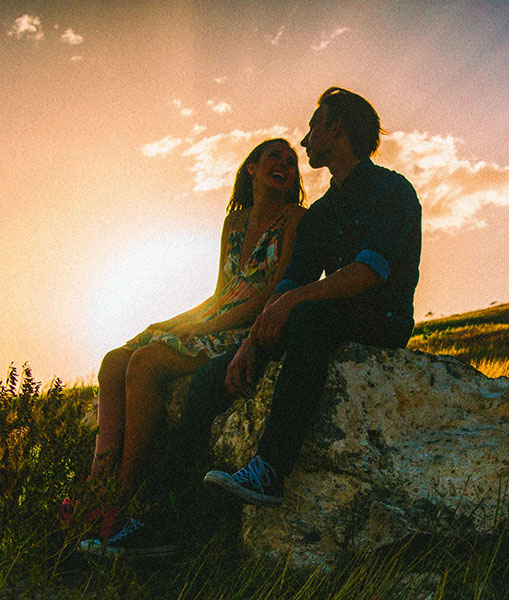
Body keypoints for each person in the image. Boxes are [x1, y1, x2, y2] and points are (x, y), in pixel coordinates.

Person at [76, 138, 306, 556]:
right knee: (114, 362)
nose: (285, 164)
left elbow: (271, 291)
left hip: (247, 327)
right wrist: (178, 322)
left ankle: (123, 499)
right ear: (251, 168)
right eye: (275, 156)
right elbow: (221, 290)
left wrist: (211, 325)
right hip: (217, 316)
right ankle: (97, 489)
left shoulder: (295, 218)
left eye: (291, 162)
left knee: (146, 362)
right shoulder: (234, 223)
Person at [200, 87, 421, 506]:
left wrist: (290, 303)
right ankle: (170, 518)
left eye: (311, 128)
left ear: (335, 128)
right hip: (326, 316)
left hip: (382, 320)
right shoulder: (321, 212)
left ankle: (269, 472)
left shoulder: (391, 191)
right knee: (211, 374)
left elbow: (370, 270)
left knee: (307, 318)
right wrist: (251, 340)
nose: (303, 142)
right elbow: (292, 279)